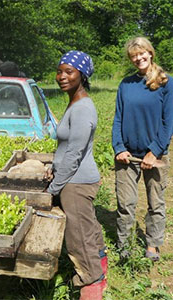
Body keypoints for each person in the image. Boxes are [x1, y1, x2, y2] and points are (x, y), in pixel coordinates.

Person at [45, 50, 107, 300]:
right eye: (59, 71)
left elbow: (74, 154)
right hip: (75, 179)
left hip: (76, 183)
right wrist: (53, 164)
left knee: (78, 238)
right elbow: (65, 148)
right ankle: (100, 266)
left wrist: (54, 188)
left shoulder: (82, 108)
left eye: (69, 71)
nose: (61, 76)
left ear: (82, 75)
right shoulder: (74, 102)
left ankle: (91, 284)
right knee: (88, 228)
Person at [112, 37, 173, 261]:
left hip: (156, 156)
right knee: (125, 203)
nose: (138, 58)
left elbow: (169, 122)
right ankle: (125, 245)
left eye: (142, 54)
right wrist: (119, 147)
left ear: (150, 53)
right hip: (127, 156)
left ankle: (152, 244)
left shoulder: (165, 82)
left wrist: (154, 151)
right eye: (134, 56)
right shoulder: (126, 84)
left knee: (156, 202)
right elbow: (118, 119)